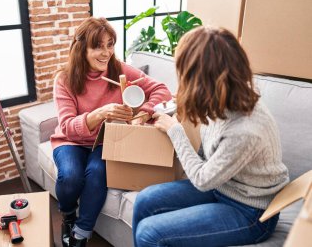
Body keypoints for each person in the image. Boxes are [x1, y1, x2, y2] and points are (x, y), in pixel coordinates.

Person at [132, 26, 290, 247]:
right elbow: (209, 146)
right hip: (224, 186)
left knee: (150, 233)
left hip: (250, 211)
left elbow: (202, 180)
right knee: (144, 200)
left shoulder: (245, 130)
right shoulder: (223, 95)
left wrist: (175, 130)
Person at [50, 17, 172, 247]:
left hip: (105, 140)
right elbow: (67, 126)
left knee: (97, 173)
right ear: (81, 48)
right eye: (97, 46)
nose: (106, 53)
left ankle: (80, 234)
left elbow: (162, 90)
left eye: (110, 44)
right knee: (70, 177)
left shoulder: (120, 70)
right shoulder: (64, 79)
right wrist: (101, 113)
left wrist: (144, 113)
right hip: (71, 140)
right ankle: (67, 216)